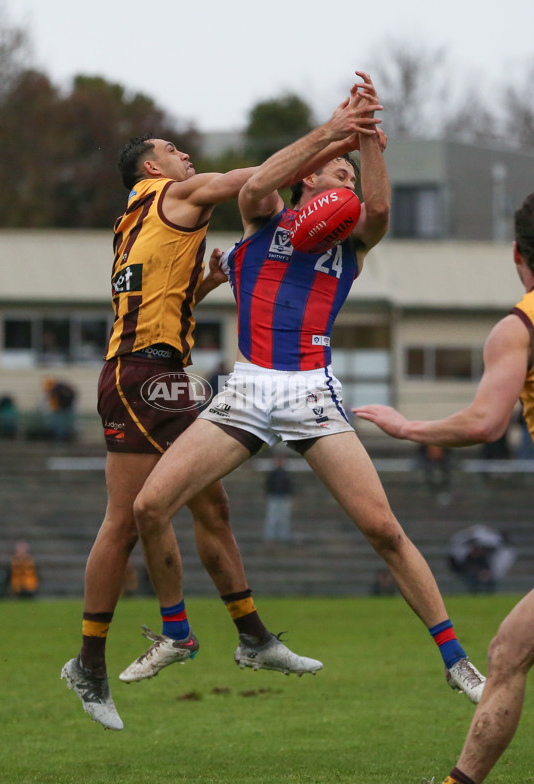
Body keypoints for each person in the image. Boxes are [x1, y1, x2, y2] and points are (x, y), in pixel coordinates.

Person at [130, 72, 485, 708]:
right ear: (310, 180)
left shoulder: (350, 245)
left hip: (310, 391)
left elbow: (377, 212)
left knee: (384, 530)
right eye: (337, 172)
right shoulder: (262, 215)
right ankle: (179, 635)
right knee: (150, 506)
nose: (346, 180)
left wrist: (368, 137)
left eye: (352, 174)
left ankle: (457, 659)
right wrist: (333, 131)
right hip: (246, 388)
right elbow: (262, 181)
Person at [60, 101, 380, 729]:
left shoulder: (139, 219)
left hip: (166, 375)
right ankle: (90, 664)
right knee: (124, 522)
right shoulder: (173, 191)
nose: (185, 154)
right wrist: (334, 142)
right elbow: (253, 182)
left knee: (212, 507)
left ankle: (253, 638)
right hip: (136, 374)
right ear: (151, 165)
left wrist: (198, 292)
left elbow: (149, 287)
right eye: (172, 149)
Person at [353, 192, 534, 784]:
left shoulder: (520, 324)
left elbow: (485, 422)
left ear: (517, 254)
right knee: (512, 649)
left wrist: (409, 426)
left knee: (508, 654)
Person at [263, 455, 294, 543]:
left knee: (284, 518)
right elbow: (268, 485)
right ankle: (270, 536)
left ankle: (284, 536)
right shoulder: (272, 474)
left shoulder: (285, 473)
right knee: (272, 518)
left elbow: (289, 486)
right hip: (274, 497)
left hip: (283, 497)